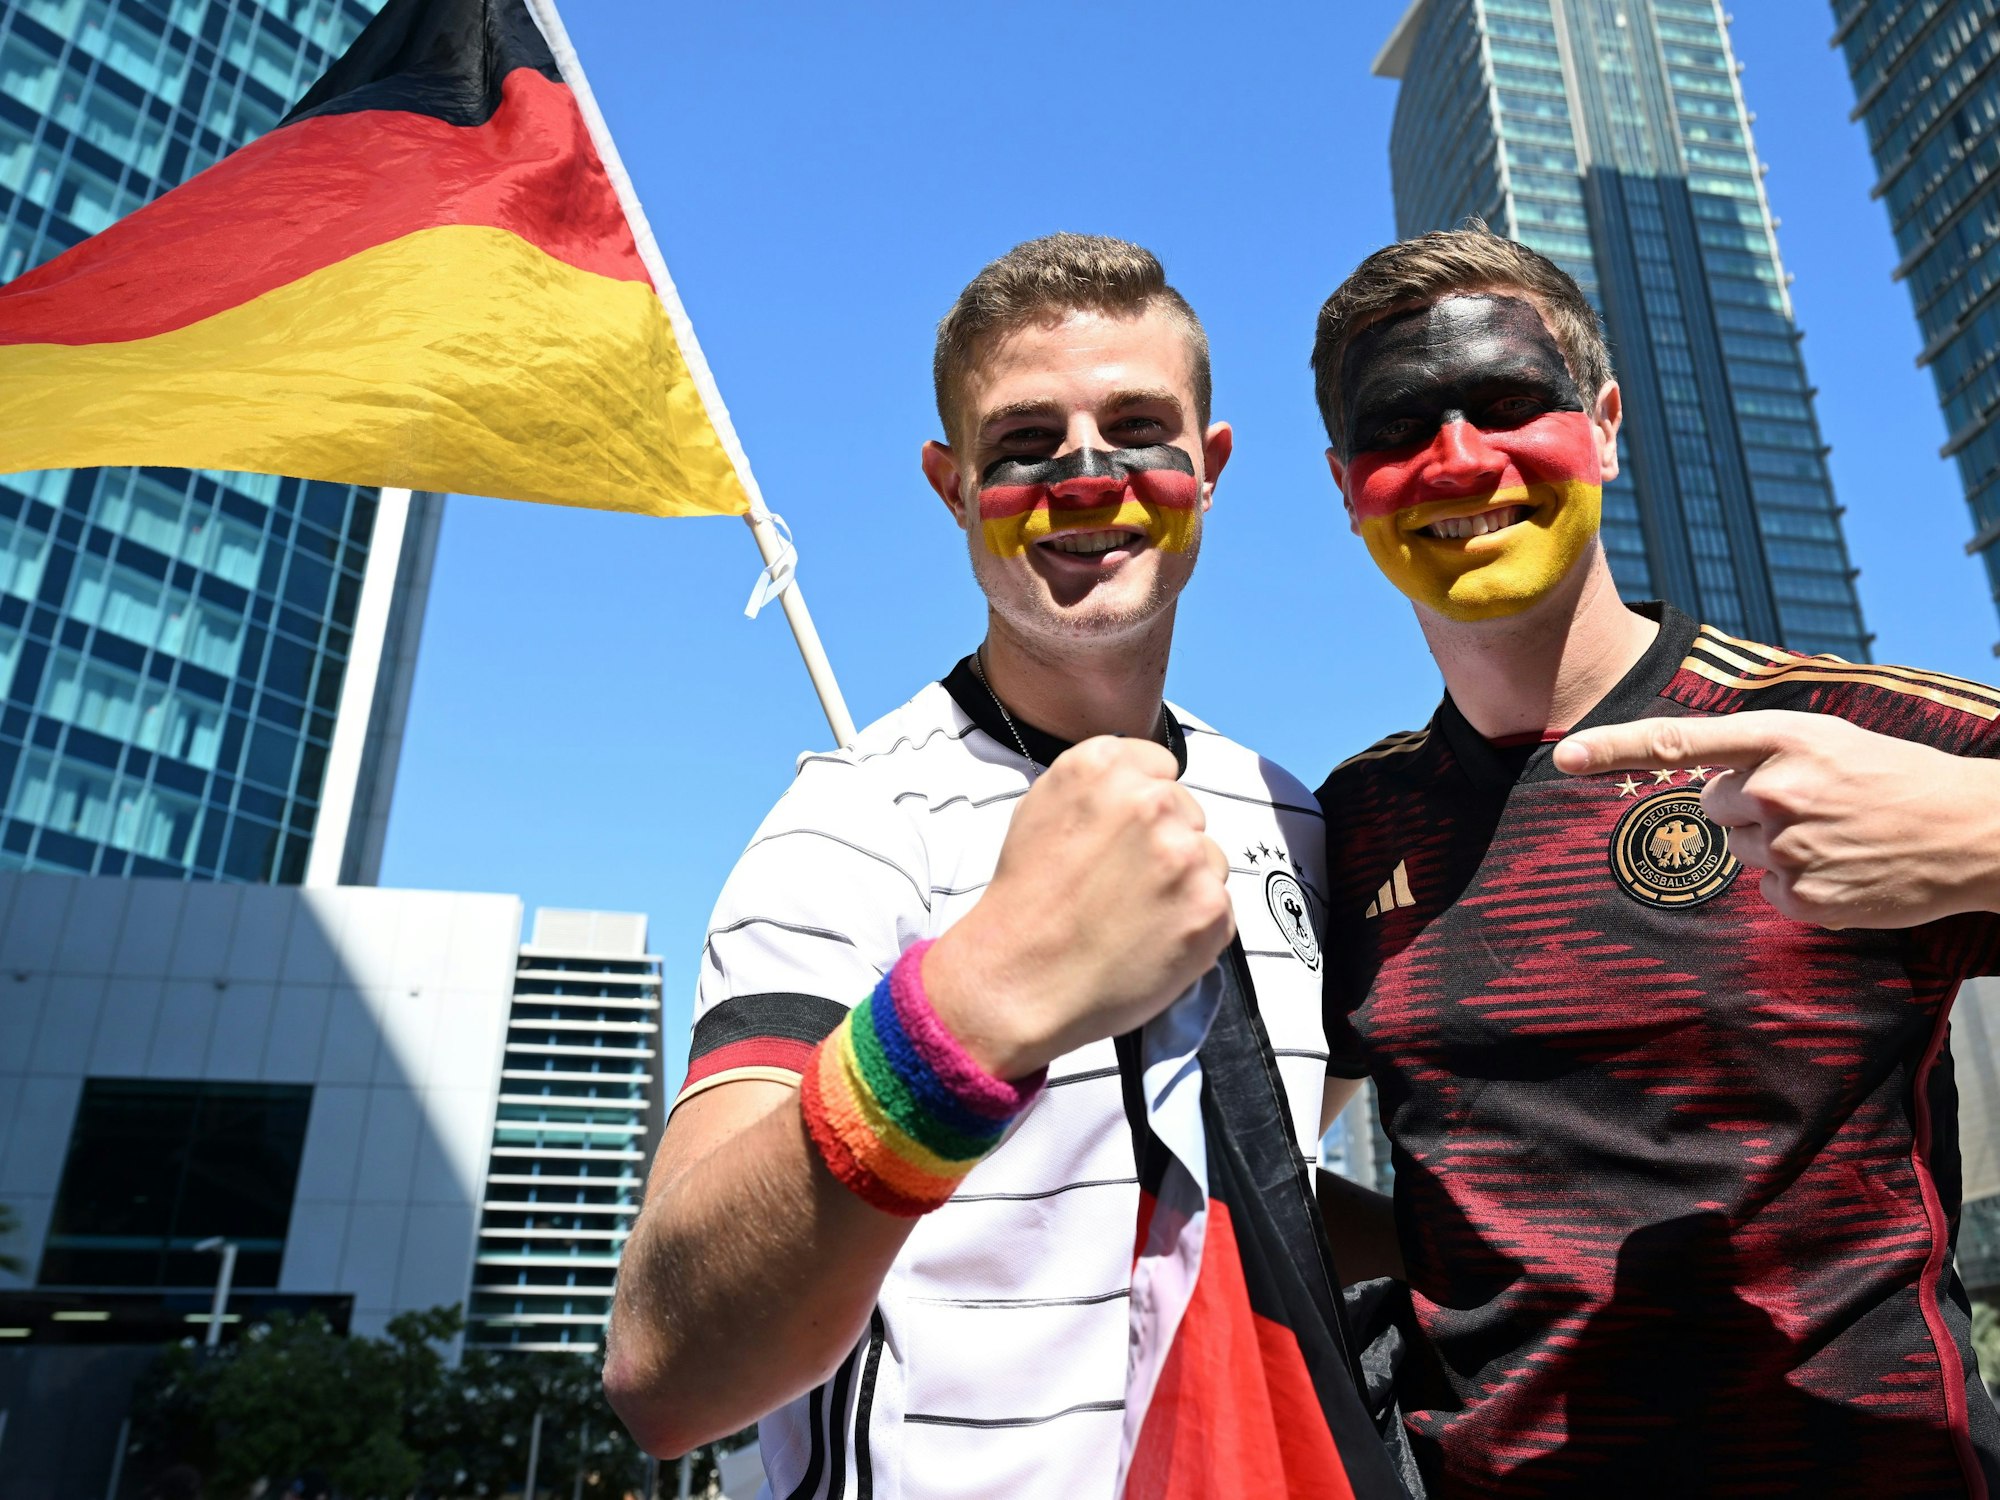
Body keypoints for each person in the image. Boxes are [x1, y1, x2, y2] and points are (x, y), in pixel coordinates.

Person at [603, 234, 1342, 1498]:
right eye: (1023, 446)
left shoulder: (1292, 820)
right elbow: (667, 1368)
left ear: (1209, 469)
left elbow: (1255, 1201)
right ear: (950, 488)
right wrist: (969, 1011)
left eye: (1135, 426)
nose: (1086, 478)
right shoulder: (849, 823)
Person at [1308, 225, 2000, 1496]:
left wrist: (1981, 836)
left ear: (1607, 426)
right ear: (1348, 484)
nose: (1460, 458)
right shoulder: (1345, 827)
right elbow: (1258, 1158)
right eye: (1401, 427)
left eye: (1511, 403)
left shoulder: (1836, 730)